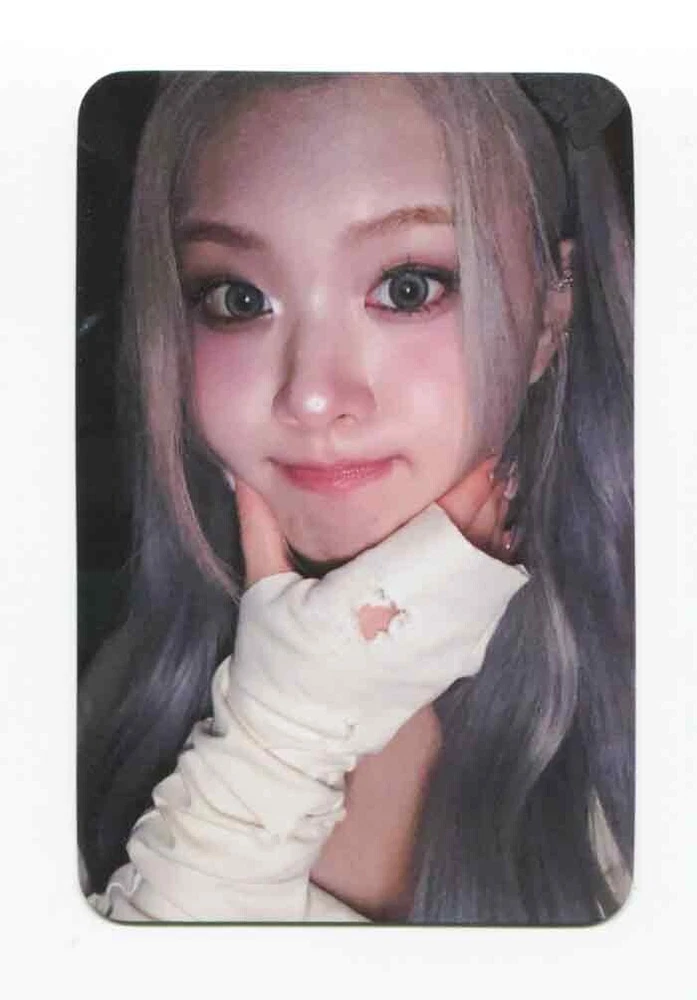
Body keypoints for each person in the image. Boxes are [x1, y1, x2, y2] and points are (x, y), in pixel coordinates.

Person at [78, 72, 633, 925]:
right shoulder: (112, 699)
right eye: (237, 299)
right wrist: (278, 731)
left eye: (408, 287)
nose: (309, 396)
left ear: (551, 311)